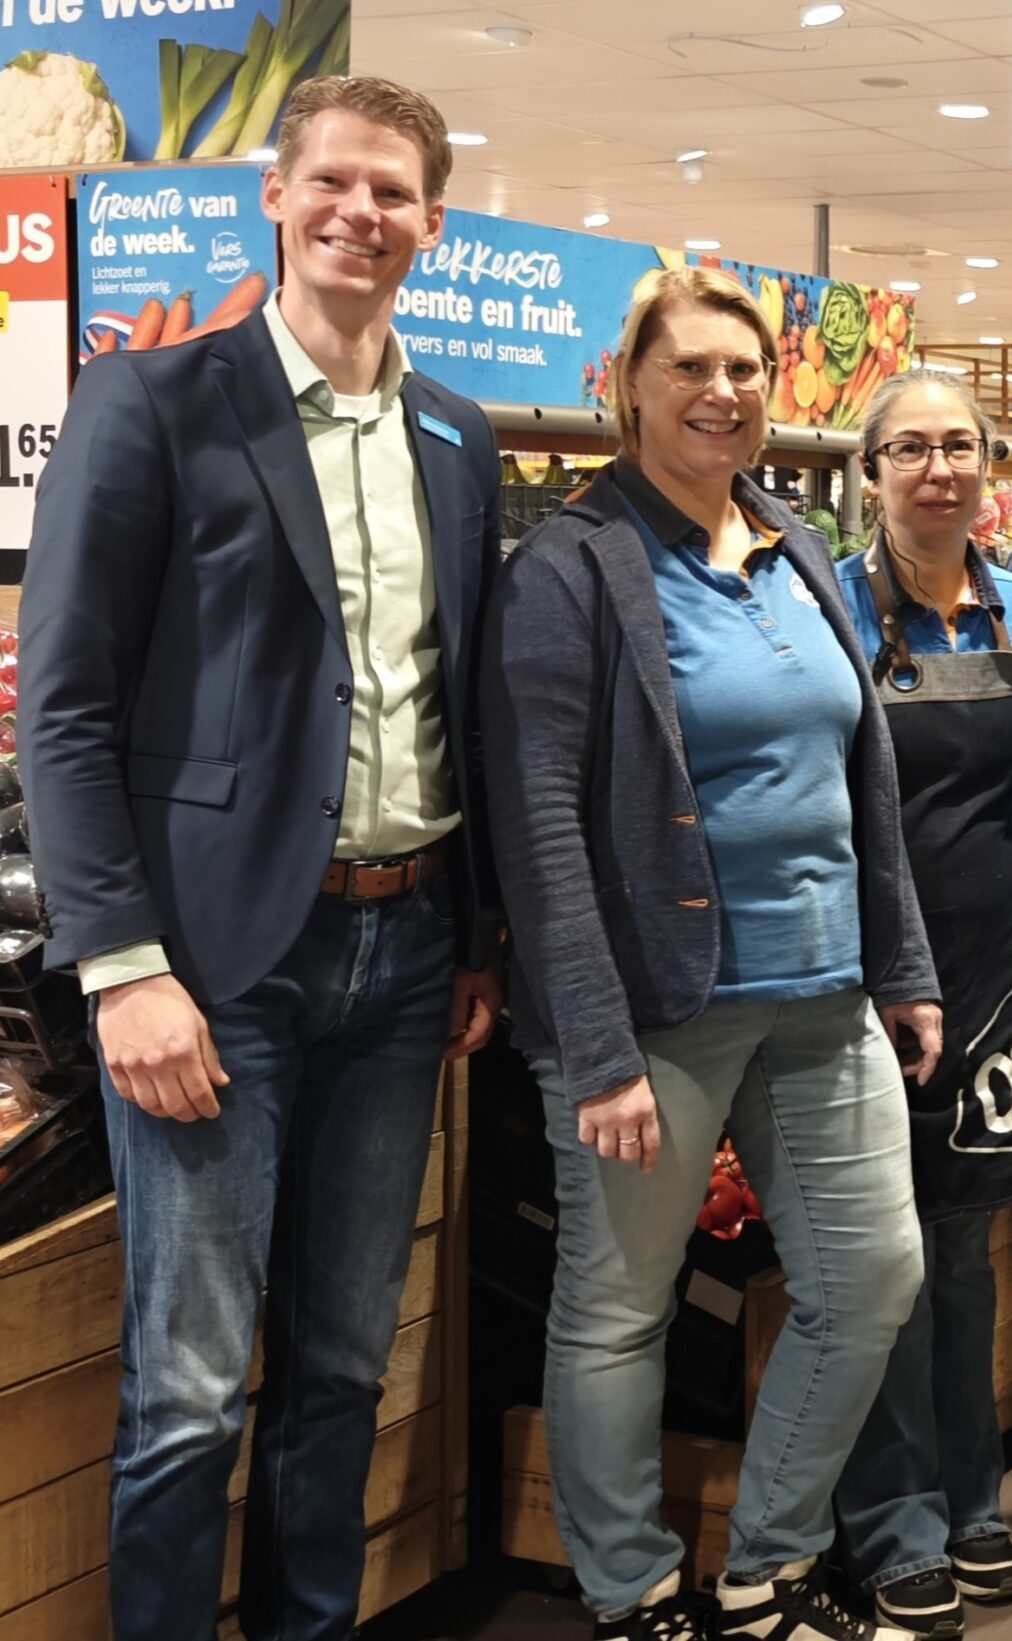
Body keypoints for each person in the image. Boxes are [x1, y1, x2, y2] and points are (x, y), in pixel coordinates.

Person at [18, 77, 503, 1641]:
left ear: (434, 223)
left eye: (395, 192)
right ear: (277, 198)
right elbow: (66, 708)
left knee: (347, 1362)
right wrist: (122, 967)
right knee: (189, 1386)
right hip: (213, 966)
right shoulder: (154, 402)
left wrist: (473, 939)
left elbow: (457, 699)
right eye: (336, 182)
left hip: (405, 953)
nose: (364, 213)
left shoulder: (457, 436)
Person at [485, 266, 935, 1641]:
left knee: (869, 1280)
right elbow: (537, 820)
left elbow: (861, 777)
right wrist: (594, 1046)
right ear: (625, 387)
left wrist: (903, 966)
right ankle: (629, 1587)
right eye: (688, 367)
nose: (721, 393)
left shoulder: (793, 542)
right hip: (654, 1011)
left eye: (744, 369)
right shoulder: (570, 566)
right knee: (617, 1305)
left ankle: (767, 1568)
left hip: (823, 994)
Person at [832, 371, 1012, 1639]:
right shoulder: (826, 603)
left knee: (963, 1256)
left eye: (960, 446)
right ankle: (893, 1520)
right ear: (870, 471)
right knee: (881, 1263)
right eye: (911, 448)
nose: (939, 469)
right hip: (858, 963)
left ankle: (974, 1498)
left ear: (987, 465)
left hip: (983, 964)